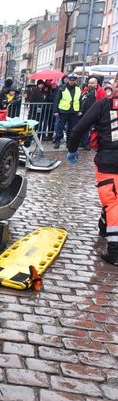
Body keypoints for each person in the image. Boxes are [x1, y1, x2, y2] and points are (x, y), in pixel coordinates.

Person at [67, 73, 118, 266]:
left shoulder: (104, 104)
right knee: (113, 201)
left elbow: (79, 129)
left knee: (113, 202)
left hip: (109, 161)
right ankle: (105, 229)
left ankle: (114, 250)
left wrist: (72, 150)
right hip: (109, 159)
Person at [53, 73, 82, 149]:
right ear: (68, 80)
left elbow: (79, 100)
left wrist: (80, 110)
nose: (72, 81)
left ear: (75, 80)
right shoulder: (62, 88)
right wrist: (55, 111)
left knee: (72, 129)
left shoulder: (78, 89)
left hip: (74, 111)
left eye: (73, 80)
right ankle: (57, 142)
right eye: (70, 79)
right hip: (63, 111)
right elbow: (57, 100)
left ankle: (69, 142)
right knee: (60, 127)